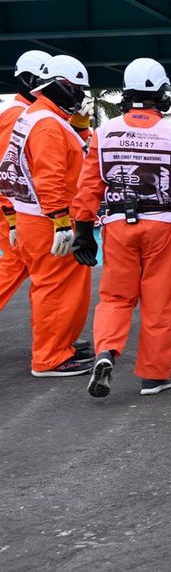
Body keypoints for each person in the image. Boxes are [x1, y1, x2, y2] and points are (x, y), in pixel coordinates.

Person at [71, 58, 171, 397]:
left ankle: (106, 351)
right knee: (158, 303)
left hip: (117, 224)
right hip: (161, 225)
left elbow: (88, 186)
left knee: (115, 297)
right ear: (162, 96)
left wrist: (81, 230)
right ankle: (153, 376)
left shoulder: (103, 133)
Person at [0, 55, 95, 376]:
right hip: (48, 220)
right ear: (63, 87)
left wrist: (79, 128)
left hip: (34, 217)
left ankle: (58, 343)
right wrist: (61, 221)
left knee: (54, 286)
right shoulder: (46, 126)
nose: (81, 97)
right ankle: (50, 356)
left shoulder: (39, 117)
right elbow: (49, 176)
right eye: (78, 90)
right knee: (56, 287)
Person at [0, 50, 52, 310]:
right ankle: (52, 341)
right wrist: (10, 216)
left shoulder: (28, 112)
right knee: (16, 268)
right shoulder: (18, 115)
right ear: (30, 80)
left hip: (19, 207)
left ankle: (53, 338)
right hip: (17, 208)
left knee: (38, 273)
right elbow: (7, 169)